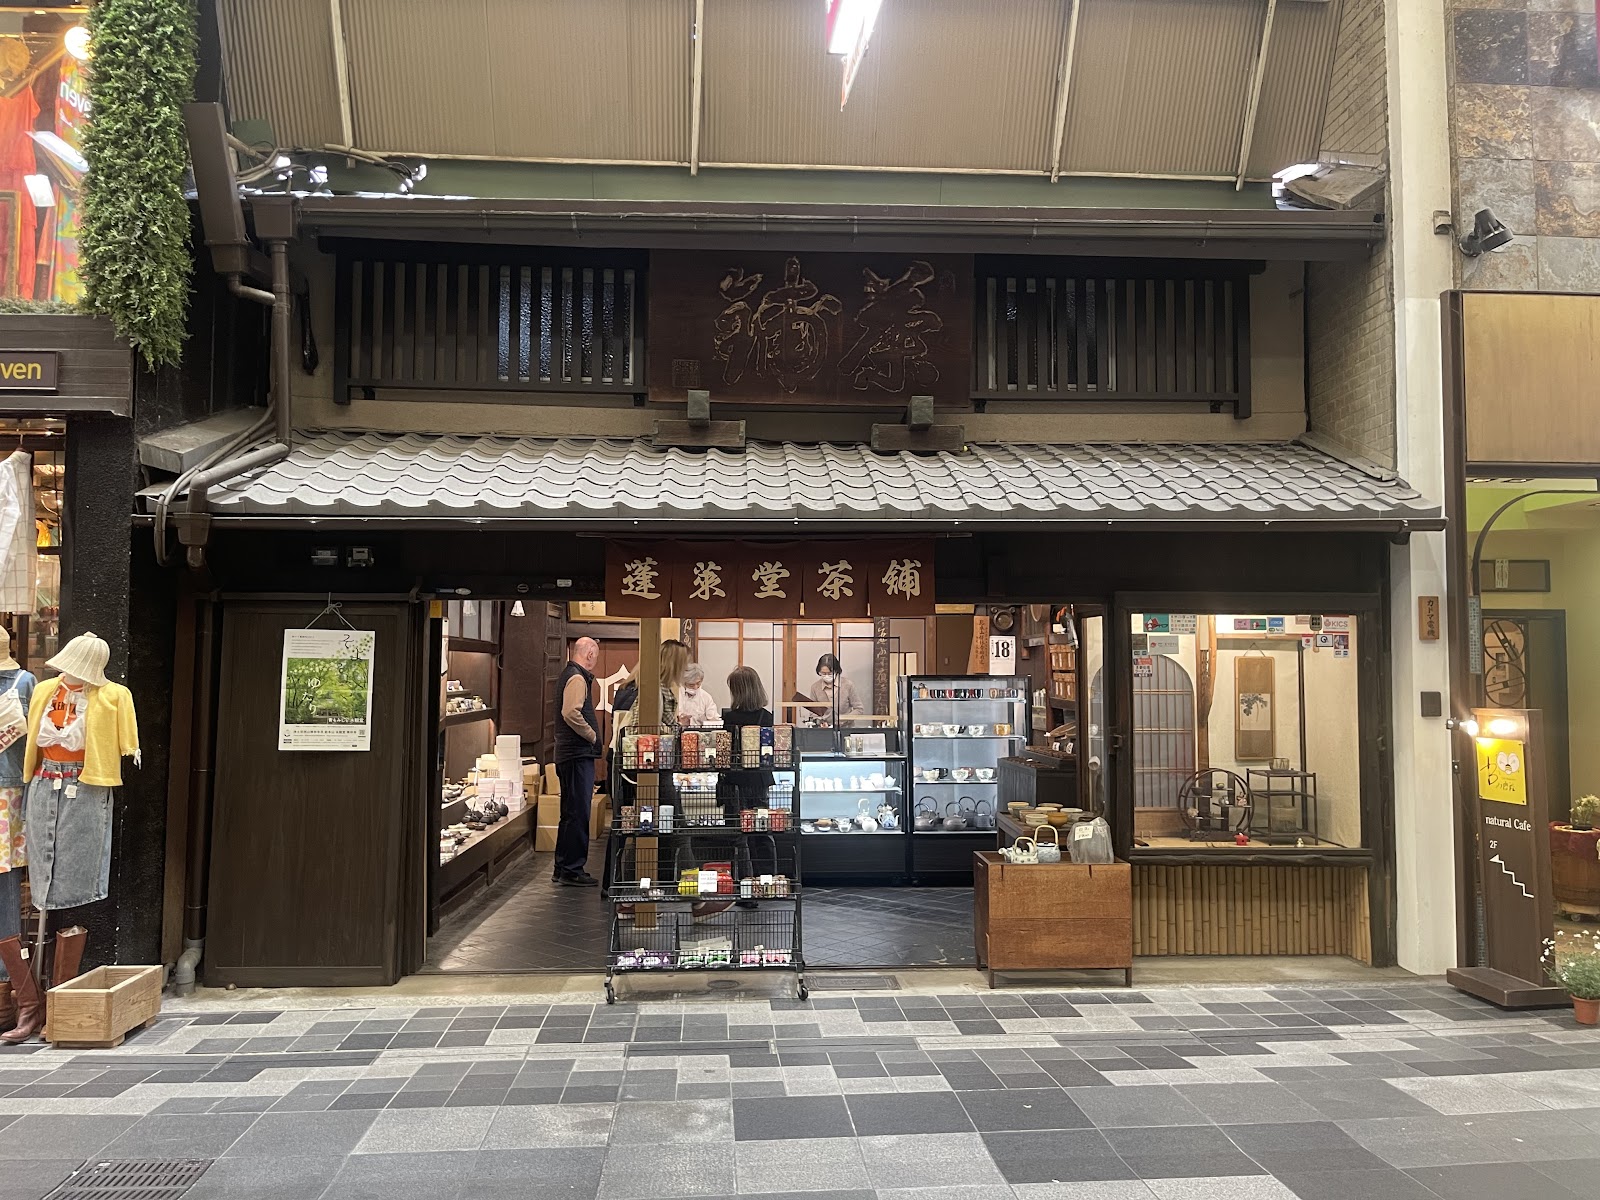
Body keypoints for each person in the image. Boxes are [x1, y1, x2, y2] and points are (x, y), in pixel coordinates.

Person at [552, 637, 601, 887]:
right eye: (596, 654)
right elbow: (570, 712)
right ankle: (571, 869)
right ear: (590, 653)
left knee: (570, 813)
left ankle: (562, 867)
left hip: (569, 754)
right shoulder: (577, 677)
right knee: (578, 812)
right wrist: (592, 736)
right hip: (576, 754)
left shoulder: (569, 673)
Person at [810, 653, 865, 724]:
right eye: (823, 673)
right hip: (824, 730)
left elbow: (859, 709)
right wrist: (820, 722)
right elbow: (813, 712)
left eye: (830, 673)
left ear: (836, 671)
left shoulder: (847, 685)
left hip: (846, 728)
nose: (826, 676)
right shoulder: (815, 687)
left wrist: (845, 719)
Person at [678, 663, 721, 727]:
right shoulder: (677, 695)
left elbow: (715, 720)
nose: (695, 687)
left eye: (698, 683)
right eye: (691, 685)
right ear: (684, 683)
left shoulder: (706, 697)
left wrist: (711, 722)